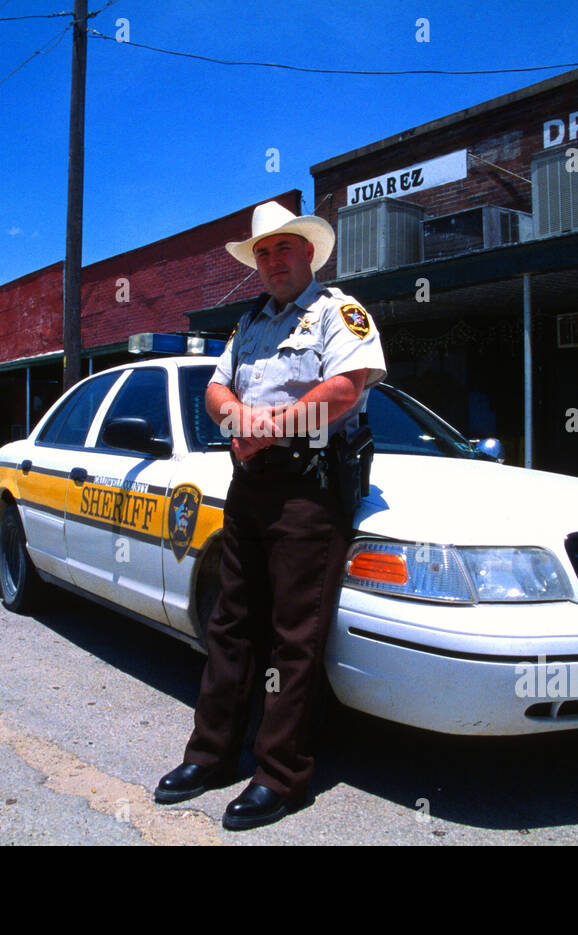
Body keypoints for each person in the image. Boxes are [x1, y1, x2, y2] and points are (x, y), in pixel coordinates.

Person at [154, 201, 386, 830]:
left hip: (309, 493)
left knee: (293, 636)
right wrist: (237, 420)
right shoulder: (249, 322)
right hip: (250, 488)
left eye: (284, 248)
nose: (274, 260)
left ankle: (280, 776)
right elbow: (215, 389)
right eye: (263, 252)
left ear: (308, 253)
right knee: (230, 624)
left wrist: (272, 430)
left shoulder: (338, 313)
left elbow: (348, 388)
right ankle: (212, 756)